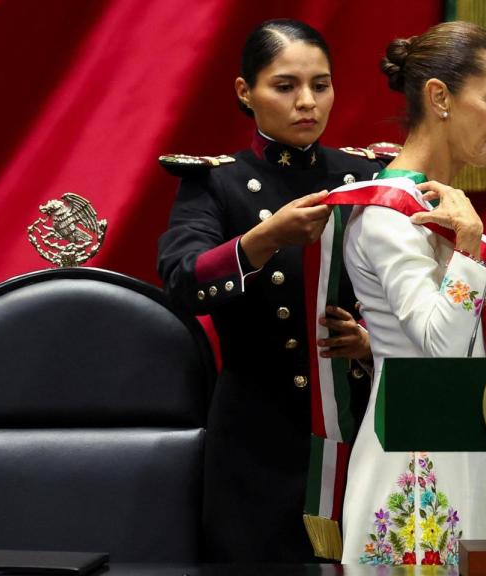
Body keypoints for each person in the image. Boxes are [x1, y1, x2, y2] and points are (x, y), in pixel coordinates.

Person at [156, 19, 384, 563]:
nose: (307, 102)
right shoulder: (217, 183)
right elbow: (183, 285)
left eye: (320, 85)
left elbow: (411, 292)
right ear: (245, 92)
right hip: (255, 435)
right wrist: (260, 241)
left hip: (358, 427)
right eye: (285, 86)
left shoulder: (371, 177)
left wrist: (373, 339)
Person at [330, 21, 486, 566]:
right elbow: (439, 348)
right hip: (413, 458)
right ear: (440, 98)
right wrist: (470, 250)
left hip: (470, 445)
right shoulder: (387, 217)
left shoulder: (442, 205)